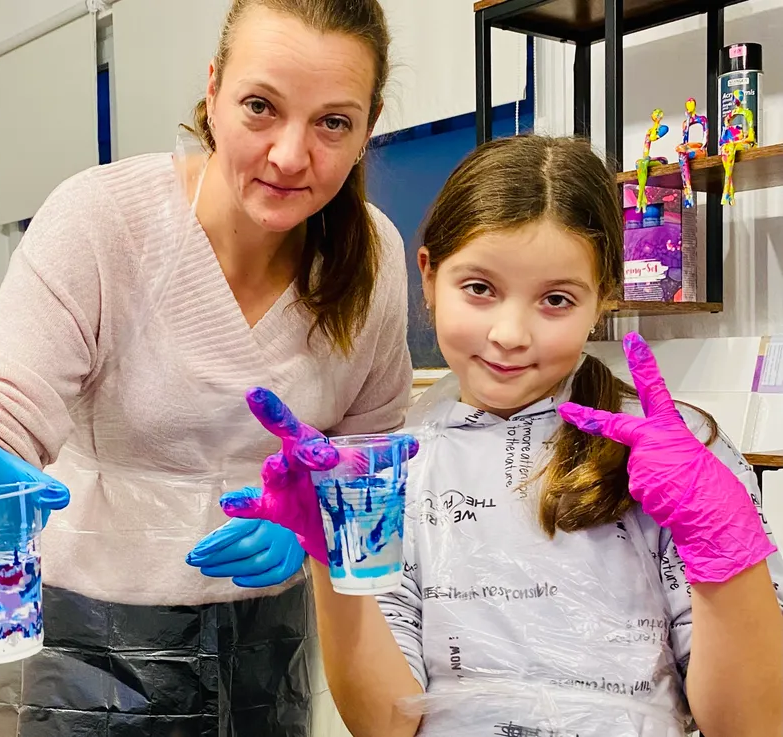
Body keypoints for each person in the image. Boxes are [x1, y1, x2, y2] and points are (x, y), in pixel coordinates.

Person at [0, 1, 411, 734]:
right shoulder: (104, 220)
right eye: (261, 106)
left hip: (271, 640)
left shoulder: (372, 259)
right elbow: (5, 400)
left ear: (369, 124)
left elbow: (364, 457)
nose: (291, 155)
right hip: (86, 643)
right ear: (215, 89)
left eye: (333, 123)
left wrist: (315, 512)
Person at [217, 136, 783, 736]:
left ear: (604, 300)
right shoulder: (389, 467)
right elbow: (385, 726)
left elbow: (754, 725)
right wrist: (338, 566)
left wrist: (724, 551)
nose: (510, 333)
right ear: (429, 276)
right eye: (480, 288)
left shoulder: (672, 456)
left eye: (556, 299)